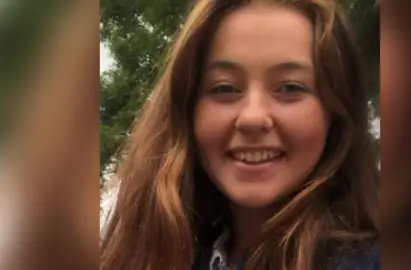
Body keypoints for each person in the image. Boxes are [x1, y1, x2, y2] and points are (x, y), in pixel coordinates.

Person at [100, 0, 379, 269]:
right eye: (225, 88)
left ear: (336, 112)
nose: (253, 117)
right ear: (188, 110)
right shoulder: (151, 250)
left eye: (290, 87)